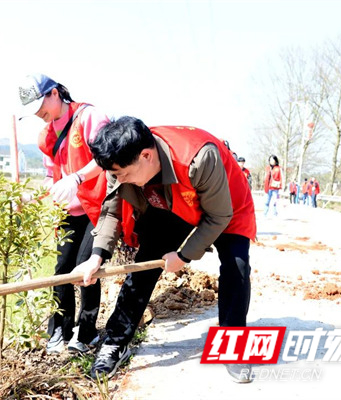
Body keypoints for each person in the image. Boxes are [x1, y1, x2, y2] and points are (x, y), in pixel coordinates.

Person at [73, 117, 257, 383]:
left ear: (146, 156)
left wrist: (183, 256)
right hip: (173, 202)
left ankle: (234, 347)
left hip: (226, 205)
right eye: (115, 175)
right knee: (147, 258)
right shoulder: (123, 164)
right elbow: (111, 212)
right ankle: (116, 341)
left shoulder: (199, 157)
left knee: (236, 267)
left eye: (122, 174)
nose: (119, 180)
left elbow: (218, 217)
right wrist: (96, 256)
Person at [18, 73, 109, 354]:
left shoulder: (90, 118)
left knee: (86, 268)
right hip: (69, 211)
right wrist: (35, 195)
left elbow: (106, 158)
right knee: (62, 269)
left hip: (97, 207)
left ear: (55, 94)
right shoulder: (46, 136)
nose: (39, 115)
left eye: (40, 107)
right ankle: (61, 328)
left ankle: (88, 330)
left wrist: (77, 179)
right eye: (33, 112)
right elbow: (51, 176)